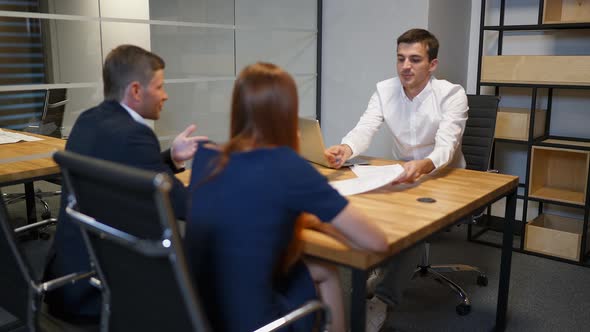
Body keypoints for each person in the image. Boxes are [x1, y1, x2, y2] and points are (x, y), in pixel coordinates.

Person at [185, 62, 388, 332]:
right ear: (287, 114)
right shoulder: (288, 166)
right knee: (327, 270)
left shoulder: (206, 157)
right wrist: (318, 223)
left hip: (199, 312)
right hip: (257, 322)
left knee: (314, 268)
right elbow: (376, 242)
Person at [44, 44, 207, 323]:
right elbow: (184, 206)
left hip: (68, 281)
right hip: (103, 293)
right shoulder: (134, 136)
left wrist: (172, 157)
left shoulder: (89, 121)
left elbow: (123, 170)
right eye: (159, 87)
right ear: (135, 90)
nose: (165, 95)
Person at [324, 28, 468, 331]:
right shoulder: (384, 89)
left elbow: (447, 146)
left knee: (413, 226)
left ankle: (383, 300)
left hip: (445, 175)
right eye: (401, 59)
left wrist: (425, 164)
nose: (406, 66)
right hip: (402, 171)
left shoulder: (451, 94)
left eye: (415, 59)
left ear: (432, 64)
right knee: (366, 205)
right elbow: (366, 127)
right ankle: (379, 267)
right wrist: (345, 147)